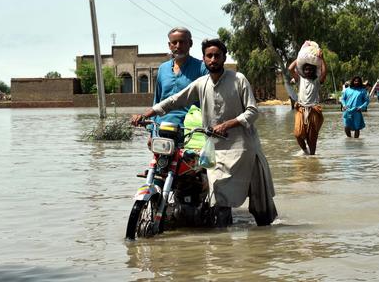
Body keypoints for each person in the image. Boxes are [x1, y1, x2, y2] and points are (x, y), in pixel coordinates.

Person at [131, 38, 277, 227]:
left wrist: (228, 124)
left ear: (224, 58)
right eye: (209, 56)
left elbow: (252, 111)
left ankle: (263, 241)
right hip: (215, 150)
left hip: (243, 148)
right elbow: (175, 100)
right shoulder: (202, 83)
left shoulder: (238, 79)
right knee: (219, 195)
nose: (213, 59)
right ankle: (221, 241)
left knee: (259, 201)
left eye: (217, 55)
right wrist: (147, 114)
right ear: (204, 59)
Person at [153, 27, 208, 128]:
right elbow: (157, 100)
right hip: (161, 126)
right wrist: (151, 130)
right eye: (174, 42)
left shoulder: (202, 68)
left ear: (190, 43)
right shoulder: (163, 68)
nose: (178, 46)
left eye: (182, 42)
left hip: (189, 128)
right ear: (169, 45)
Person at [288, 51, 327, 155]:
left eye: (310, 69)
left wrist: (322, 59)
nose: (308, 71)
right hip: (301, 109)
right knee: (297, 134)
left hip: (314, 110)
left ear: (313, 70)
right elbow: (290, 69)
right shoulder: (300, 79)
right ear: (303, 71)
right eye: (306, 69)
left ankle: (312, 157)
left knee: (312, 137)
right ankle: (305, 151)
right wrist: (299, 58)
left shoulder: (317, 80)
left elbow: (324, 73)